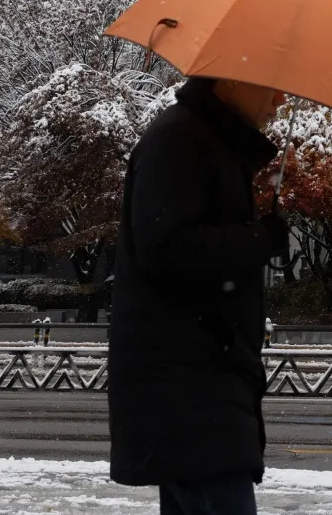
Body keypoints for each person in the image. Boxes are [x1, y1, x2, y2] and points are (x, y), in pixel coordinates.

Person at [110, 76, 287, 515]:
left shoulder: (203, 140)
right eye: (270, 86)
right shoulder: (181, 140)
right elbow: (167, 248)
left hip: (199, 382)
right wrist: (261, 238)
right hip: (192, 386)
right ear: (229, 79)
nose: (280, 100)